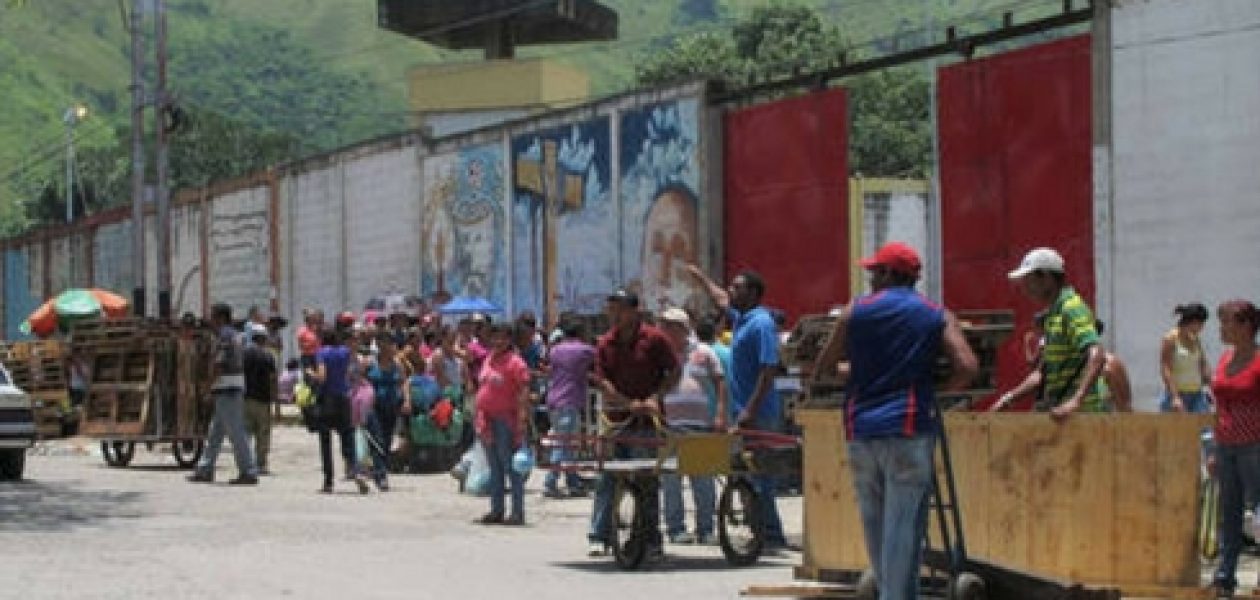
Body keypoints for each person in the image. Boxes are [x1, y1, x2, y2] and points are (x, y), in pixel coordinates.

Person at [812, 242, 978, 600]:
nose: (871, 278)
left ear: (889, 274)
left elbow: (825, 367)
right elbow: (967, 367)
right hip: (907, 427)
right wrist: (937, 394)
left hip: (861, 431)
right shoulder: (935, 313)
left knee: (876, 529)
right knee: (903, 531)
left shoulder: (854, 310)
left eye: (875, 272)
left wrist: (860, 372)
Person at [685, 265, 790, 549]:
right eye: (731, 287)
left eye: (737, 287)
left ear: (753, 293)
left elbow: (769, 370)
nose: (731, 291)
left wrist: (749, 411)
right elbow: (720, 298)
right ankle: (764, 531)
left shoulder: (762, 324)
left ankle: (770, 535)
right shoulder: (742, 318)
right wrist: (701, 277)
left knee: (761, 477)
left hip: (759, 413)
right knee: (747, 473)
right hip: (742, 410)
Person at [587, 289, 679, 559]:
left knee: (647, 480)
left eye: (618, 309)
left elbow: (674, 371)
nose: (613, 315)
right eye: (610, 309)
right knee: (607, 478)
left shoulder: (654, 339)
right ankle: (599, 535)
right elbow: (602, 381)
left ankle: (651, 538)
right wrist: (626, 402)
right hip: (616, 420)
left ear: (634, 310)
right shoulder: (606, 342)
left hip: (649, 421)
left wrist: (654, 397)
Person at [1006, 247, 1106, 418]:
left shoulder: (1071, 308)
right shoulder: (1054, 314)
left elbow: (1097, 353)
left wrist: (1076, 401)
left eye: (1028, 281)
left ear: (1046, 278)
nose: (1025, 289)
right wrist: (1008, 399)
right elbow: (1041, 373)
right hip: (1062, 416)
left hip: (1082, 416)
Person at [658, 307, 724, 545]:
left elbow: (720, 382)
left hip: (701, 426)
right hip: (670, 426)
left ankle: (706, 529)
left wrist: (719, 415)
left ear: (682, 328)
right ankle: (676, 529)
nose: (664, 331)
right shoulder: (662, 354)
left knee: (703, 480)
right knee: (671, 481)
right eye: (663, 326)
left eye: (669, 326)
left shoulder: (703, 352)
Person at [1208, 300, 1260, 597]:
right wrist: (1215, 447)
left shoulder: (1258, 361)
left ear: (1245, 326)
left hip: (1255, 446)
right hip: (1227, 445)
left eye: (1226, 321)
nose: (1221, 328)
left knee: (1259, 512)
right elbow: (1220, 406)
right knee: (1229, 514)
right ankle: (1225, 576)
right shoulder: (1225, 359)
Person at [188, 303, 260, 485]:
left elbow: (219, 364)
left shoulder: (224, 336)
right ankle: (205, 469)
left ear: (220, 318)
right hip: (229, 387)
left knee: (236, 432)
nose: (210, 320)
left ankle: (248, 471)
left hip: (227, 388)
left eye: (212, 316)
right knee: (215, 432)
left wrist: (207, 385)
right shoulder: (232, 334)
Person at [473, 323, 532, 526]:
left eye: (503, 338)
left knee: (512, 468)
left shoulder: (516, 363)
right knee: (495, 468)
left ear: (509, 340)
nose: (498, 342)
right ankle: (496, 510)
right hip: (486, 420)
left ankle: (517, 512)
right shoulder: (489, 359)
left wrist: (522, 419)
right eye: (494, 337)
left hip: (506, 421)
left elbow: (524, 391)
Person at [308, 329, 369, 494]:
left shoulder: (321, 353)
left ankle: (328, 481)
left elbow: (322, 377)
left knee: (326, 441)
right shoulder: (345, 352)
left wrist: (311, 374)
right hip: (343, 398)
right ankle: (355, 470)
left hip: (328, 399)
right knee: (347, 437)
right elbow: (355, 369)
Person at [542, 318, 595, 499]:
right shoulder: (585, 350)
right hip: (570, 400)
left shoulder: (555, 350)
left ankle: (572, 481)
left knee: (567, 443)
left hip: (554, 399)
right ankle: (550, 481)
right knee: (563, 444)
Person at [364, 334, 405, 491]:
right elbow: (359, 379)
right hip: (373, 406)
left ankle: (378, 469)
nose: (387, 347)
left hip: (391, 406)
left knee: (387, 441)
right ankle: (381, 475)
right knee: (377, 439)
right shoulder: (369, 363)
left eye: (390, 344)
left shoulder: (397, 364)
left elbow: (403, 382)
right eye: (384, 344)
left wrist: (406, 400)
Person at [1161, 303, 1212, 413]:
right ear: (1191, 322)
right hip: (1178, 394)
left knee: (1205, 429)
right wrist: (1175, 397)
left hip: (1197, 394)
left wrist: (1210, 387)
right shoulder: (1170, 339)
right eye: (1200, 323)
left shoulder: (1195, 339)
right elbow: (1166, 369)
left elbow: (1202, 363)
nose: (1202, 328)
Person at [242, 323, 278, 475]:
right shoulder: (268, 355)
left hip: (246, 399)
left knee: (246, 433)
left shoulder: (244, 353)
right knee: (263, 434)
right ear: (264, 338)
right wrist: (275, 401)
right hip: (263, 400)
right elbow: (272, 379)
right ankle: (261, 464)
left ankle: (246, 462)